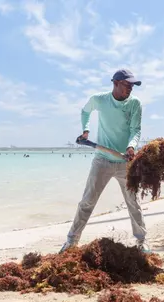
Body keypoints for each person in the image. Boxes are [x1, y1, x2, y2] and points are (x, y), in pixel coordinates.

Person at [59, 69, 148, 254]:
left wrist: (131, 146)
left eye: (132, 85)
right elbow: (85, 111)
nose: (130, 88)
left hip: (125, 162)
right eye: (127, 84)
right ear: (115, 83)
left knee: (133, 202)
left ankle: (141, 242)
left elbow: (135, 129)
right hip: (102, 161)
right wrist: (85, 130)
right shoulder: (100, 99)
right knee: (87, 202)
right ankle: (71, 242)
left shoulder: (134, 103)